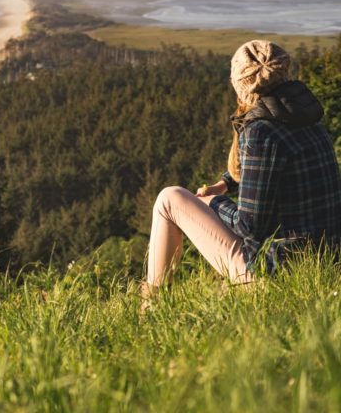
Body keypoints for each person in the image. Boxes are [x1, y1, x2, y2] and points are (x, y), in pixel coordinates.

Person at [144, 40, 341, 293]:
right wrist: (226, 183)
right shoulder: (308, 118)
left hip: (278, 273)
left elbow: (250, 226)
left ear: (241, 84)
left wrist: (213, 201)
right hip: (324, 262)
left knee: (169, 199)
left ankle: (152, 303)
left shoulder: (262, 132)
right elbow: (271, 167)